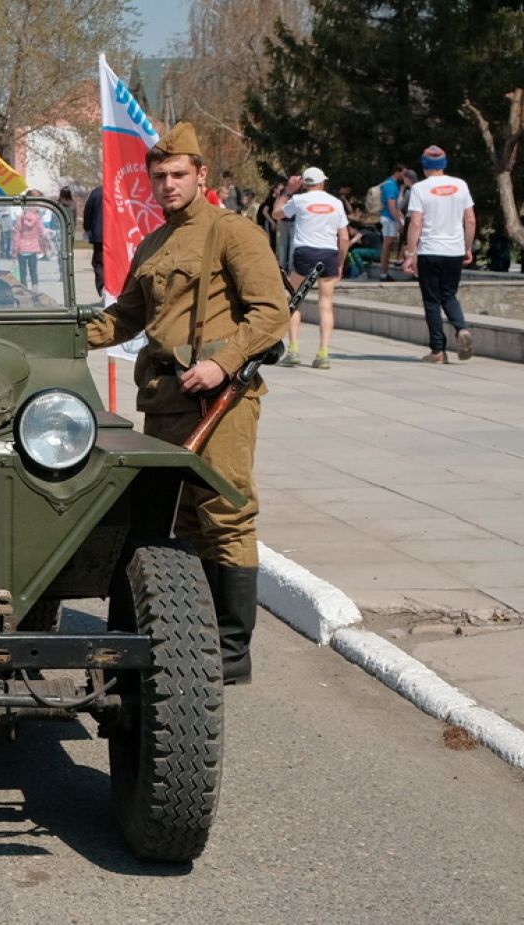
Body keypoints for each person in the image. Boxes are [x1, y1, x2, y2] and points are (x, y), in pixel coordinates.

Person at [85, 122, 289, 685]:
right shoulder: (154, 241)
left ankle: (230, 652)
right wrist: (63, 333)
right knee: (180, 520)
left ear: (200, 174)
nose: (168, 185)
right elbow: (124, 317)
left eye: (178, 174)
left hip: (218, 399)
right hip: (165, 398)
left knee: (225, 514)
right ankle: (190, 638)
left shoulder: (232, 232)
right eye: (159, 177)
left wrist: (223, 362)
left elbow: (271, 313)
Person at [401, 145, 475, 363]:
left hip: (430, 251)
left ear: (424, 166)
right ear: (444, 164)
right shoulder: (460, 185)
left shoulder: (420, 189)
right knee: (449, 295)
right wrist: (467, 247)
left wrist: (410, 254)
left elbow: (416, 222)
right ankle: (461, 328)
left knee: (432, 301)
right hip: (454, 250)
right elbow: (470, 219)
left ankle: (438, 351)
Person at [273, 166, 349, 369]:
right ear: (323, 182)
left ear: (304, 184)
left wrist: (288, 191)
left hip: (305, 253)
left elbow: (276, 213)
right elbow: (344, 237)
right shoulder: (336, 203)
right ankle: (323, 353)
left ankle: (294, 349)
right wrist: (340, 263)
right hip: (328, 253)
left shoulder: (299, 200)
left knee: (295, 299)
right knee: (326, 304)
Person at [375, 165, 410, 279]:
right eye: (403, 173)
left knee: (389, 245)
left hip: (389, 218)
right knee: (387, 245)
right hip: (389, 218)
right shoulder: (390, 185)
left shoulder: (392, 184)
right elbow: (391, 205)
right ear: (397, 172)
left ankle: (384, 273)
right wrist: (398, 222)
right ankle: (383, 274)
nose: (404, 176)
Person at [81, 184, 105, 296]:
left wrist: (87, 227)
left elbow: (88, 211)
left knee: (99, 262)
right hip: (116, 233)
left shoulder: (97, 192)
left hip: (99, 234)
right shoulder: (119, 190)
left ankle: (102, 286)